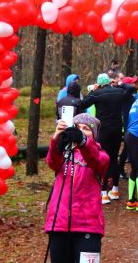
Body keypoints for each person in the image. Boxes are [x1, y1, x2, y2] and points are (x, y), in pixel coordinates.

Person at [44, 113, 109, 263]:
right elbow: (52, 162)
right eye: (77, 128)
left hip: (88, 227)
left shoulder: (101, 155)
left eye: (86, 129)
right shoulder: (64, 153)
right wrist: (56, 139)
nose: (80, 131)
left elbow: (97, 161)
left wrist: (83, 142)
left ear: (94, 135)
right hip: (59, 225)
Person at [80, 73, 129, 205]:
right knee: (114, 158)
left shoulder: (97, 93)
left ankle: (103, 193)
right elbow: (129, 91)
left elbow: (82, 103)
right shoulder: (119, 92)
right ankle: (115, 190)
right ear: (109, 81)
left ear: (99, 83)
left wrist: (93, 91)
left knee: (103, 158)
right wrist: (119, 83)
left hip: (104, 130)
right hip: (118, 130)